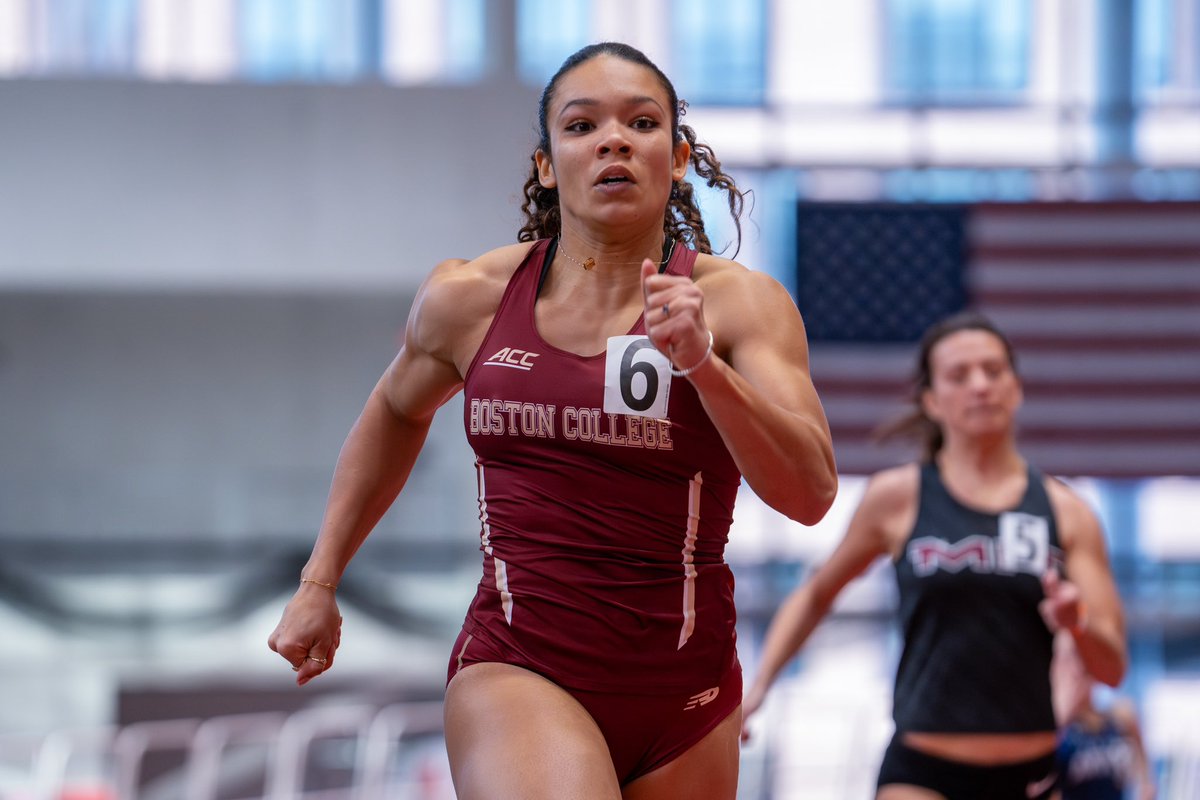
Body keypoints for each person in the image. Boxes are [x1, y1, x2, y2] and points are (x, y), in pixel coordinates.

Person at [267, 41, 837, 800]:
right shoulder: (468, 297)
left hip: (687, 693)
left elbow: (810, 494)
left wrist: (704, 365)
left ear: (675, 157)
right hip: (520, 660)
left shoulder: (741, 306)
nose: (613, 140)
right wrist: (320, 579)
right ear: (546, 164)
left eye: (641, 123)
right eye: (581, 126)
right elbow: (393, 413)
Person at [741, 311, 1128, 800]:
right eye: (960, 375)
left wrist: (1076, 621)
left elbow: (1112, 667)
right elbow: (817, 593)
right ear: (931, 400)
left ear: (1016, 387)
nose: (980, 386)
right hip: (923, 771)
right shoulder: (898, 497)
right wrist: (758, 688)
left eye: (993, 371)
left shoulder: (1067, 512)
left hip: (1032, 771)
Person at [1052, 630, 1156, 800]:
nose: (1078, 670)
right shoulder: (1058, 727)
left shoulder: (1121, 716)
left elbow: (1144, 767)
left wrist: (1146, 784)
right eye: (1070, 660)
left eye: (1083, 661)